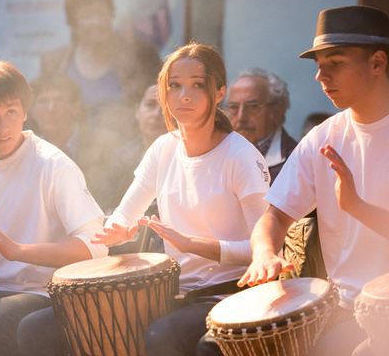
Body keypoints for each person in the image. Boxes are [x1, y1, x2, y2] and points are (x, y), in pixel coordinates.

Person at [92, 43, 270, 356]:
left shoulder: (241, 157)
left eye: (197, 85)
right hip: (174, 291)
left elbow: (267, 249)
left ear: (219, 93)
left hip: (232, 292)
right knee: (93, 324)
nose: (183, 95)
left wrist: (194, 244)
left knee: (162, 335)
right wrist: (117, 230)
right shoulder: (164, 148)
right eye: (174, 85)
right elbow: (125, 212)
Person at [238, 5, 389, 356]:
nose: (321, 77)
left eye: (335, 63)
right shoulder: (323, 138)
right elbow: (274, 217)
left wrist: (358, 208)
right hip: (341, 308)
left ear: (378, 63)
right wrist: (264, 253)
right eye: (319, 66)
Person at [0, 61, 108, 356]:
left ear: (26, 112)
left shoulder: (53, 165)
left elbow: (95, 246)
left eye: (11, 112)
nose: (2, 127)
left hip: (41, 294)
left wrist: (17, 251)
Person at [41, 0, 162, 141]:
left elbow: (161, 103)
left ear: (111, 14)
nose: (96, 22)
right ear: (73, 24)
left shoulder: (140, 53)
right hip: (72, 153)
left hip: (130, 152)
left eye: (101, 13)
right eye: (87, 16)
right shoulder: (55, 63)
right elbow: (44, 116)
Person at [29, 74, 116, 211]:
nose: (50, 108)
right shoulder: (27, 151)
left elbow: (110, 198)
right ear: (32, 111)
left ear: (76, 105)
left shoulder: (106, 145)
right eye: (42, 101)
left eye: (59, 100)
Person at [100, 84, 167, 215]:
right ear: (137, 110)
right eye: (150, 104)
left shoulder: (186, 158)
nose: (156, 114)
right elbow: (105, 206)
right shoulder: (121, 158)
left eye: (165, 109)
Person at [226, 68, 297, 183]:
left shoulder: (296, 162)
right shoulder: (216, 154)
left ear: (278, 112)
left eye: (252, 106)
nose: (240, 117)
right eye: (233, 107)